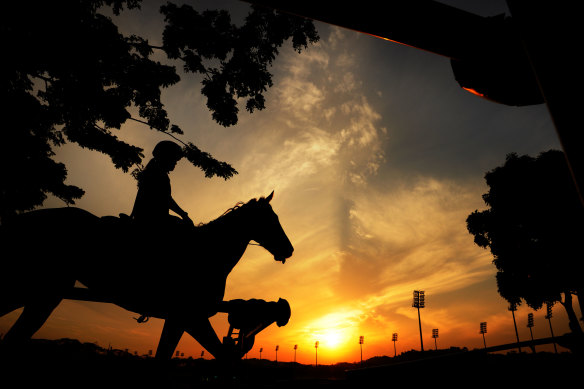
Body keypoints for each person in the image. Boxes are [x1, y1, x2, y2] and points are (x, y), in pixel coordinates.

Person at [131, 140, 193, 228]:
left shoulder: (152, 171)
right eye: (175, 159)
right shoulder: (157, 174)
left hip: (147, 219)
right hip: (153, 221)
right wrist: (184, 215)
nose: (176, 163)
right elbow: (166, 199)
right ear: (166, 157)